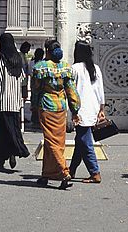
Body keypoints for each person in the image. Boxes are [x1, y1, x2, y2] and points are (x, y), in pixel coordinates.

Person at [31, 39, 80, 189]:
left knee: (51, 141)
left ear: (47, 50)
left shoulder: (40, 67)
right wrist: (75, 109)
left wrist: (33, 105)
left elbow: (36, 89)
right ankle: (47, 173)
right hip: (61, 107)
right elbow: (71, 90)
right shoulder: (66, 67)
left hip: (46, 106)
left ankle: (64, 172)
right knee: (57, 141)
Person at [0, 33, 30, 170]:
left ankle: (2, 158)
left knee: (0, 131)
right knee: (12, 129)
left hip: (0, 101)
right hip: (14, 102)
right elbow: (23, 79)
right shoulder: (18, 58)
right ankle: (10, 152)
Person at [69, 40, 105, 183]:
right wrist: (101, 109)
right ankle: (71, 170)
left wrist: (73, 110)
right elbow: (100, 90)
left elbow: (71, 92)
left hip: (81, 109)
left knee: (85, 141)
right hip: (93, 107)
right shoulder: (95, 68)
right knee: (80, 141)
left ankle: (95, 172)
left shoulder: (75, 68)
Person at [28, 47, 44, 128]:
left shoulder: (32, 63)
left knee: (34, 100)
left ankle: (35, 118)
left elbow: (30, 72)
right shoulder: (43, 64)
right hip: (41, 83)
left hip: (34, 83)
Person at [19, 41, 31, 120]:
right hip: (21, 81)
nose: (29, 50)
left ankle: (21, 115)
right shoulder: (20, 55)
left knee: (24, 97)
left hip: (25, 81)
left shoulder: (24, 56)